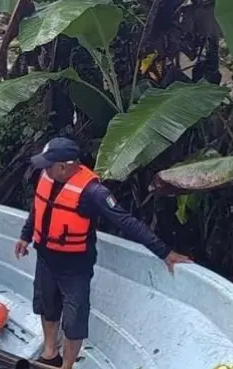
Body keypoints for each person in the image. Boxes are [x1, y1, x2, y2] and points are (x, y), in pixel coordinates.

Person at [14, 137, 193, 369]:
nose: (45, 168)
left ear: (64, 166)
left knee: (74, 318)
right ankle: (50, 353)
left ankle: (66, 366)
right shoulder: (47, 176)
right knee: (47, 305)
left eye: (49, 164)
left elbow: (126, 221)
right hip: (46, 257)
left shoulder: (93, 192)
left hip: (75, 265)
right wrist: (25, 235)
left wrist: (164, 252)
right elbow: (39, 208)